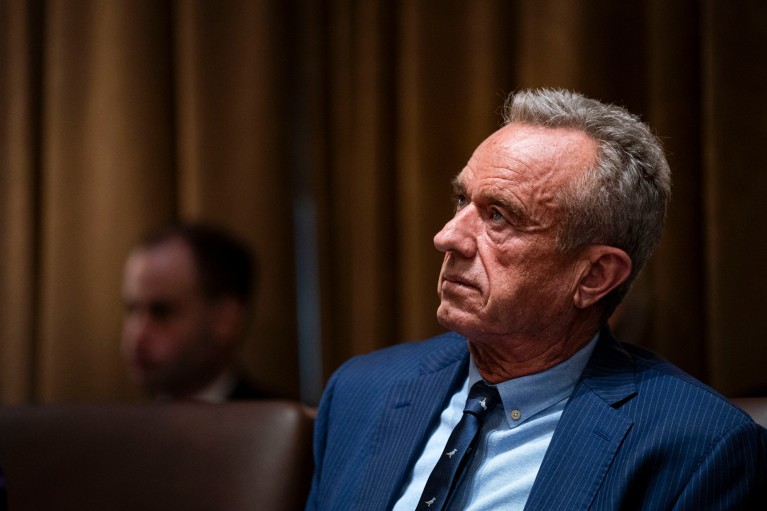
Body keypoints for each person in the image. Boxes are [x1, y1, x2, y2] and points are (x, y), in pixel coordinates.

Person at [306, 89, 767, 510]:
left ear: (594, 275)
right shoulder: (360, 391)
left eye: (499, 216)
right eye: (461, 201)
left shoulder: (700, 449)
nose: (447, 237)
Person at [121, 221, 270, 402]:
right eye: (132, 310)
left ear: (226, 320)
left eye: (162, 312)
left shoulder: (288, 425)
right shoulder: (117, 427)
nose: (137, 335)